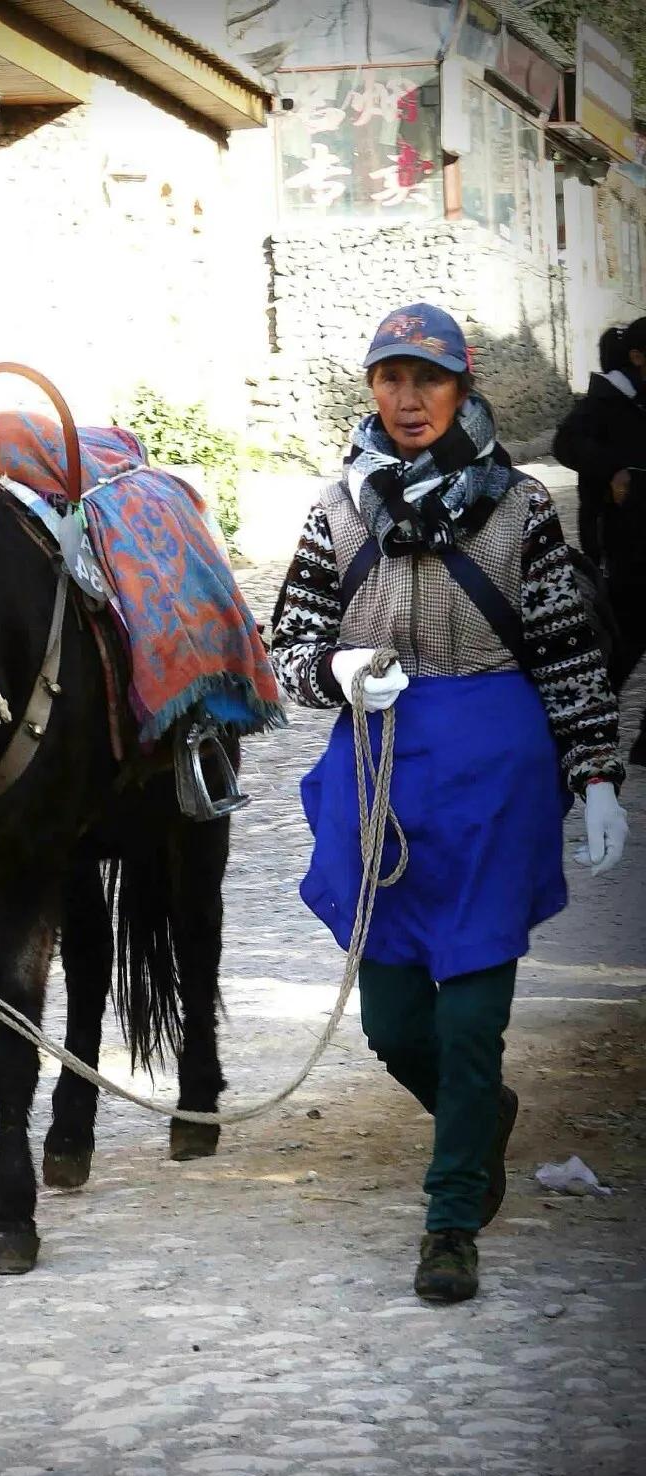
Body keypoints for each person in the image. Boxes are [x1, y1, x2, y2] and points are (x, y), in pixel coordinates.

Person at [270, 302, 628, 1305]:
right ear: (371, 390)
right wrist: (335, 667)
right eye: (391, 377)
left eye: (429, 378)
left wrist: (595, 770)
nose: (409, 397)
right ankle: (481, 1115)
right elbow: (286, 649)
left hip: (492, 785)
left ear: (463, 391)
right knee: (392, 1021)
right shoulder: (335, 510)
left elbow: (565, 648)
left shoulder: (520, 509)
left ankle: (451, 1217)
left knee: (470, 1019)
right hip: (379, 785)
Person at [553, 317, 646, 766]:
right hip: (621, 546)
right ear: (636, 357)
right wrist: (612, 469)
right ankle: (582, 728)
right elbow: (564, 445)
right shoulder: (604, 402)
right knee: (622, 641)